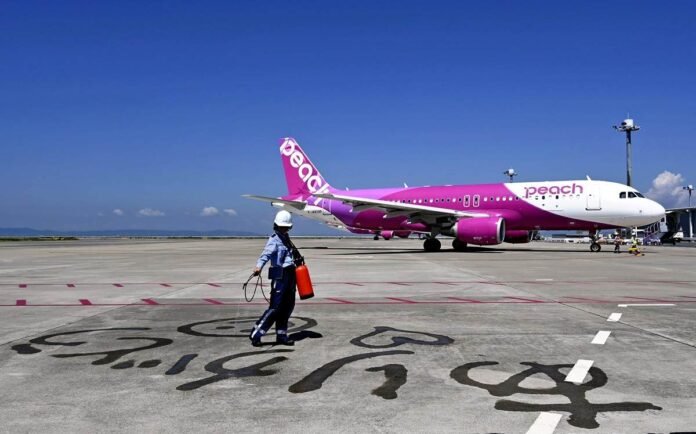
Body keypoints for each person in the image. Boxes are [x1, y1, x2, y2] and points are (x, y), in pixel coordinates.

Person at [249, 210, 300, 347]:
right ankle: (256, 333)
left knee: (288, 306)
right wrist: (258, 267)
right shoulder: (274, 240)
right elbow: (265, 255)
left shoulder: (286, 238)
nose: (284, 229)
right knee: (275, 308)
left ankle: (281, 335)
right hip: (280, 275)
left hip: (290, 274)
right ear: (276, 226)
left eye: (286, 227)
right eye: (282, 227)